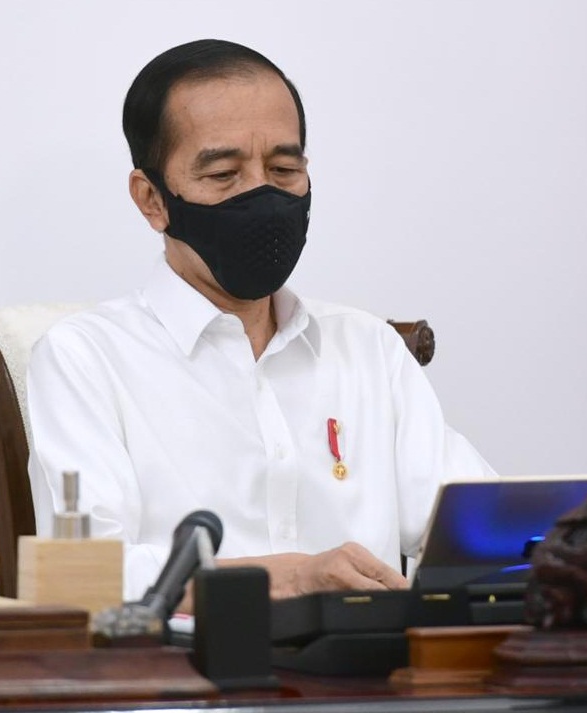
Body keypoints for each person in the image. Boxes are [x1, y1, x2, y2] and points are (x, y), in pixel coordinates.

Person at [26, 39, 495, 606]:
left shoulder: (367, 348)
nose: (262, 197)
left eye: (283, 168)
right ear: (152, 199)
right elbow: (88, 578)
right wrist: (290, 578)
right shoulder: (86, 359)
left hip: (361, 683)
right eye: (224, 173)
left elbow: (483, 532)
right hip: (180, 683)